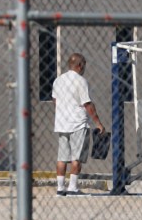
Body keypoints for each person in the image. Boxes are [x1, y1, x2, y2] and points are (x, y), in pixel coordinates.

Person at [51, 52, 106, 196]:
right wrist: (98, 123)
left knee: (62, 158)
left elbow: (55, 101)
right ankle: (73, 188)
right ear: (80, 66)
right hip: (78, 123)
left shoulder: (58, 80)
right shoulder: (81, 81)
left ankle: (60, 189)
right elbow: (87, 104)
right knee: (77, 157)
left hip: (62, 123)